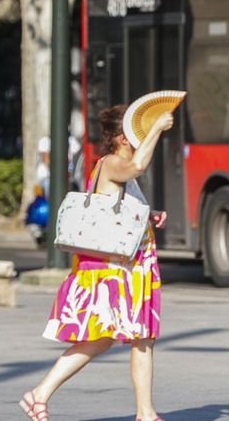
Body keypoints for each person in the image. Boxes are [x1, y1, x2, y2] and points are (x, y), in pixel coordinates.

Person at [19, 104, 174, 421]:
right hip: (114, 270)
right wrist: (157, 128)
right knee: (101, 338)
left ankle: (145, 412)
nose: (142, 139)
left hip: (133, 267)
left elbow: (119, 211)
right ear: (122, 138)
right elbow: (138, 168)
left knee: (141, 337)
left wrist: (150, 214)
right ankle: (40, 393)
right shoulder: (114, 163)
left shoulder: (117, 166)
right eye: (138, 134)